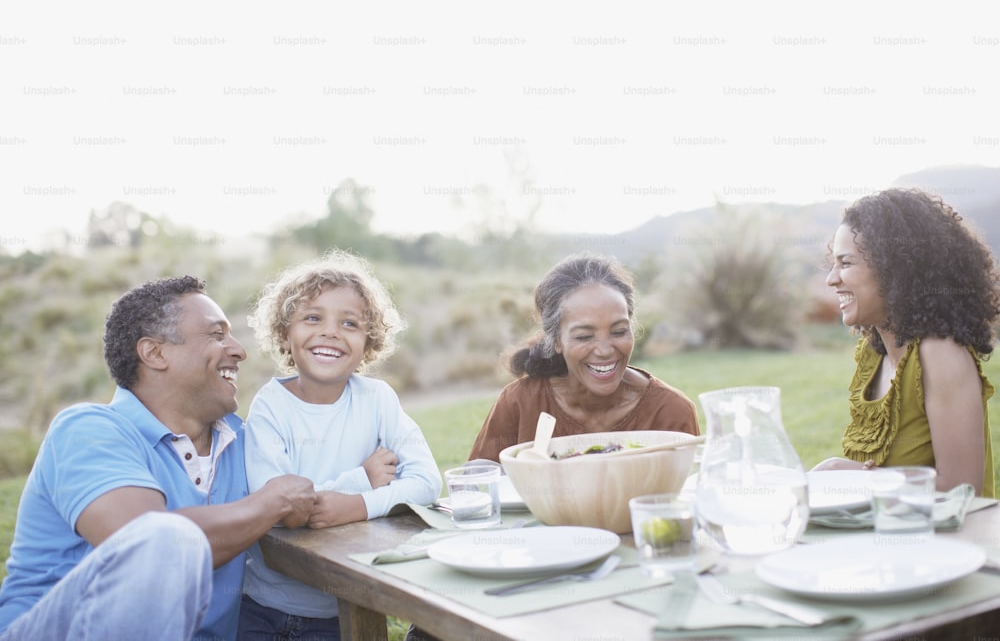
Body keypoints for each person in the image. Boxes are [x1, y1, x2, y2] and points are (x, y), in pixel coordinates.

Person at [0, 276, 317, 641]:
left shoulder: (245, 441)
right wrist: (271, 503)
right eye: (217, 335)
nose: (238, 350)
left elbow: (316, 489)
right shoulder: (88, 429)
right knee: (162, 537)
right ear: (154, 353)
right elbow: (147, 545)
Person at [238, 249, 442, 641]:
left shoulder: (377, 399)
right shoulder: (270, 407)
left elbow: (427, 481)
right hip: (266, 607)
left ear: (369, 343)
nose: (330, 332)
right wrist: (360, 481)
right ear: (285, 333)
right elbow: (278, 509)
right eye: (312, 318)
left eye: (349, 323)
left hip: (344, 609)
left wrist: (356, 506)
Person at [814, 188, 1000, 496]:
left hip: (946, 542)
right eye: (833, 264)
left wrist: (850, 476)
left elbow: (961, 490)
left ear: (895, 270)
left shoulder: (939, 354)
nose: (831, 279)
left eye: (845, 263)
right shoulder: (872, 354)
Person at [468, 252, 700, 462]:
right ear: (557, 340)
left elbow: (686, 499)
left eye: (619, 331)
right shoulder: (520, 403)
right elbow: (478, 488)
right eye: (585, 336)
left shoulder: (671, 412)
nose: (605, 350)